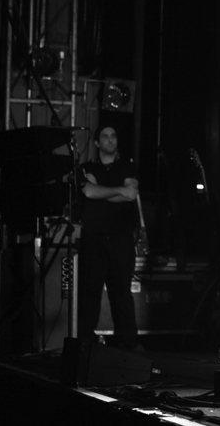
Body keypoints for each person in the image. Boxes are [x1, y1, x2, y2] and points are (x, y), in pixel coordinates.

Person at [78, 123, 142, 351]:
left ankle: (130, 344)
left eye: (113, 136)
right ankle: (85, 343)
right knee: (90, 294)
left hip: (121, 239)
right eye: (105, 136)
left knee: (122, 294)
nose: (110, 140)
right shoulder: (86, 168)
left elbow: (131, 194)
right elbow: (88, 191)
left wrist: (101, 191)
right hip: (94, 239)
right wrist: (117, 190)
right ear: (97, 143)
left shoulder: (128, 167)